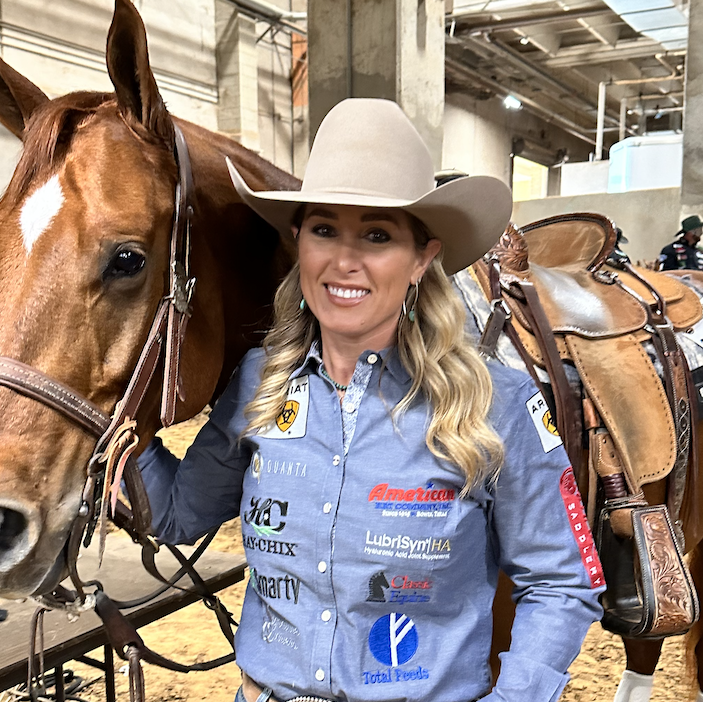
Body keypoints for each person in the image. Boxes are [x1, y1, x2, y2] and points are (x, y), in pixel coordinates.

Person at [137, 98, 604, 702]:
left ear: (422, 259)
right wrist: (115, 421)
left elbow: (561, 584)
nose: (345, 261)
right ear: (298, 243)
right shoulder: (259, 381)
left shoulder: (497, 403)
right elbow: (179, 513)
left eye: (378, 235)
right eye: (324, 229)